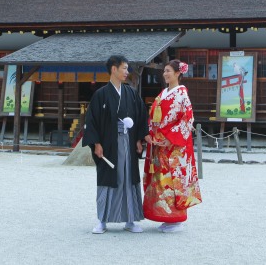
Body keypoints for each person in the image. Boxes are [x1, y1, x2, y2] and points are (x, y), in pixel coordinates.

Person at [82, 55, 149, 234]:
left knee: (128, 178)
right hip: (108, 145)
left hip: (127, 142)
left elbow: (141, 115)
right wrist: (96, 143)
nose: (127, 72)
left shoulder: (131, 93)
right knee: (108, 178)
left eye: (127, 69)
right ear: (114, 69)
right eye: (124, 68)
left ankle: (130, 219)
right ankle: (103, 220)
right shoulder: (101, 94)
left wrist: (138, 139)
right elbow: (92, 120)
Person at [143, 59, 202, 233]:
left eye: (168, 71)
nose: (165, 74)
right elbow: (154, 117)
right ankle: (166, 216)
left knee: (173, 182)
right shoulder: (163, 93)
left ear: (178, 73)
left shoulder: (182, 94)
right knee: (161, 181)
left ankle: (176, 219)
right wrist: (150, 134)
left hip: (174, 147)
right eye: (164, 71)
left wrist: (170, 138)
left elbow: (187, 119)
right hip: (160, 144)